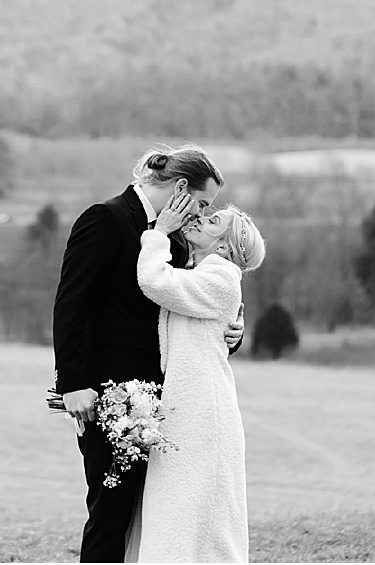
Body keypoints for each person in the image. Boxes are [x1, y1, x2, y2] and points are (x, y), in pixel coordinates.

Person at [52, 145, 245, 563]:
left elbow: (191, 306)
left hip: (165, 402)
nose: (202, 213)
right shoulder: (106, 218)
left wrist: (234, 329)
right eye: (203, 202)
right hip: (108, 393)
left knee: (145, 517)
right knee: (110, 512)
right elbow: (71, 305)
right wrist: (74, 384)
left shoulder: (172, 238)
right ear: (180, 187)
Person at [127, 193, 266, 563]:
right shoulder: (201, 273)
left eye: (215, 221)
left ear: (224, 245)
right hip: (186, 406)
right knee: (178, 504)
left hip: (203, 409)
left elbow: (155, 281)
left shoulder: (220, 275)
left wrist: (158, 233)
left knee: (195, 507)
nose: (204, 219)